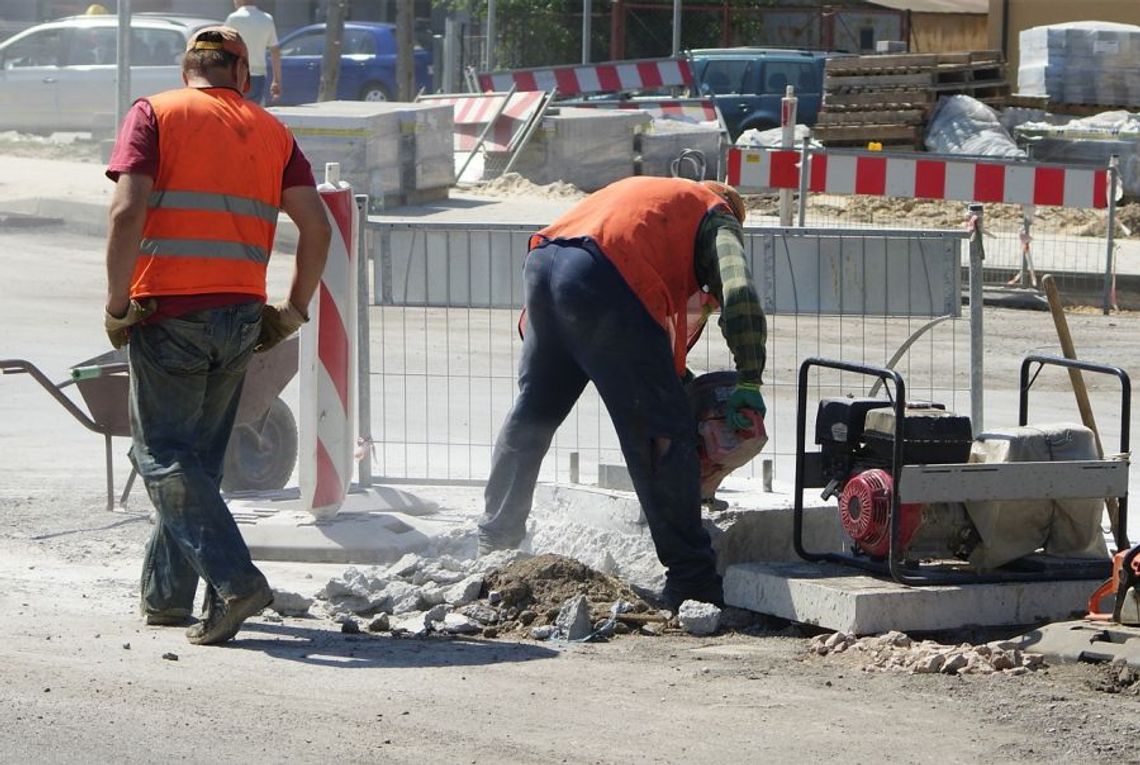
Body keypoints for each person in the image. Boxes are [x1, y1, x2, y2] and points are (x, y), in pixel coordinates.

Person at [102, 26, 330, 645]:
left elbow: (127, 211)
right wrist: (293, 310)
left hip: (170, 312)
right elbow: (318, 227)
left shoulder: (155, 112)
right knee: (196, 461)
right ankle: (168, 600)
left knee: (160, 456)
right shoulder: (272, 130)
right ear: (243, 77)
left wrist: (118, 304)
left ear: (187, 70)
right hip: (241, 315)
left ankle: (235, 582)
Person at [479, 176, 767, 610]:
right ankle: (692, 580)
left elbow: (645, 341)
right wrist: (749, 376)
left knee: (532, 415)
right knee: (661, 435)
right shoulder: (717, 216)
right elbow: (739, 292)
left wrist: (674, 380)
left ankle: (495, 547)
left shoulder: (654, 201)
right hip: (607, 276)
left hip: (546, 267)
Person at [224, 0, 282, 104]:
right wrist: (276, 80)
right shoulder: (267, 19)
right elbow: (275, 50)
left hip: (237, 75)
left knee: (236, 112)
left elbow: (222, 47)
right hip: (258, 76)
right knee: (253, 113)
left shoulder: (233, 19)